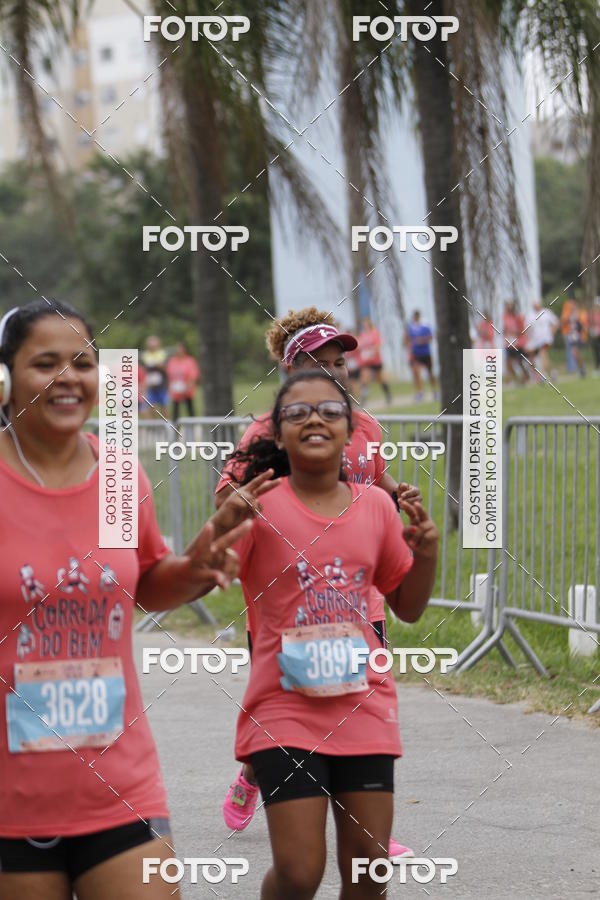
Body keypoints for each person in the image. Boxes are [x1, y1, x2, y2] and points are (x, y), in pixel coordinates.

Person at [0, 299, 271, 900]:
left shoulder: (120, 477)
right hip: (9, 802)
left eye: (82, 363)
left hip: (119, 787)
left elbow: (145, 583)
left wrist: (197, 565)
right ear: (4, 379)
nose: (68, 378)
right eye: (45, 363)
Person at [218, 370, 438, 899]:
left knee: (369, 872)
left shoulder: (376, 506)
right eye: (297, 412)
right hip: (283, 709)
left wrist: (428, 553)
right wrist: (224, 525)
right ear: (278, 432)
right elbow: (205, 577)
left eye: (330, 411)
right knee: (299, 873)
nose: (315, 419)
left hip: (363, 704)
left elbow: (408, 607)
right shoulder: (259, 505)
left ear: (349, 430)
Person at [357, 317, 391, 405]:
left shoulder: (375, 333)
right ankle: (364, 399)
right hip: (366, 362)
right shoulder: (362, 334)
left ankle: (388, 396)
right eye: (363, 323)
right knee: (364, 379)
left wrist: (371, 352)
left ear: (369, 323)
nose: (364, 325)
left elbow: (378, 345)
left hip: (376, 360)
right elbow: (359, 346)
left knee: (380, 379)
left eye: (366, 323)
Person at [405, 310, 436, 401]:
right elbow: (407, 338)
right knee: (417, 372)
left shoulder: (425, 326)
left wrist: (421, 340)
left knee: (430, 373)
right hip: (416, 354)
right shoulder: (411, 327)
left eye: (416, 317)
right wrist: (409, 347)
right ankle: (420, 392)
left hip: (426, 353)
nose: (415, 318)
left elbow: (430, 337)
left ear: (419, 317)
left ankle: (434, 391)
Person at [524, 300, 559, 381]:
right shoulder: (530, 315)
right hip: (535, 340)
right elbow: (527, 329)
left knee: (542, 353)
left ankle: (543, 374)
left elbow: (556, 323)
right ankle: (550, 372)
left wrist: (551, 332)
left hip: (546, 339)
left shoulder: (546, 312)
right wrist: (527, 339)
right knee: (532, 357)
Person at [166, 340, 200, 420]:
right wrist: (172, 385)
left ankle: (192, 424)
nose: (178, 350)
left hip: (187, 389)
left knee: (190, 408)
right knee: (175, 410)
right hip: (176, 389)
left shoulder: (190, 360)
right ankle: (175, 426)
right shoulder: (172, 361)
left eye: (180, 348)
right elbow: (169, 373)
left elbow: (193, 375)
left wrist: (187, 386)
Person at [141, 335, 168, 417]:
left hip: (161, 384)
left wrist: (157, 365)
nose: (152, 347)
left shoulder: (162, 353)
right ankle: (153, 423)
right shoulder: (145, 354)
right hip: (150, 384)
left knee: (163, 405)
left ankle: (166, 422)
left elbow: (164, 367)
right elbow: (144, 368)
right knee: (151, 405)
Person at [503, 302, 529, 384]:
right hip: (509, 343)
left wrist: (514, 332)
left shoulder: (518, 317)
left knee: (519, 362)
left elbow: (522, 330)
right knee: (508, 362)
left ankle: (525, 376)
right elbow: (505, 329)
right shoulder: (505, 317)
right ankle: (515, 379)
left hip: (518, 343)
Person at [561, 299, 587, 377]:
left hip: (577, 335)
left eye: (573, 305)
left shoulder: (579, 313)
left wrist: (583, 335)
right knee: (575, 353)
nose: (571, 306)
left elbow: (582, 324)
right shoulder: (568, 314)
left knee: (574, 351)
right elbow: (565, 321)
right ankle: (581, 368)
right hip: (571, 335)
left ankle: (581, 368)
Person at [589, 296, 600, 375]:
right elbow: (590, 324)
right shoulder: (592, 314)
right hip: (594, 336)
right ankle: (596, 369)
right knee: (596, 352)